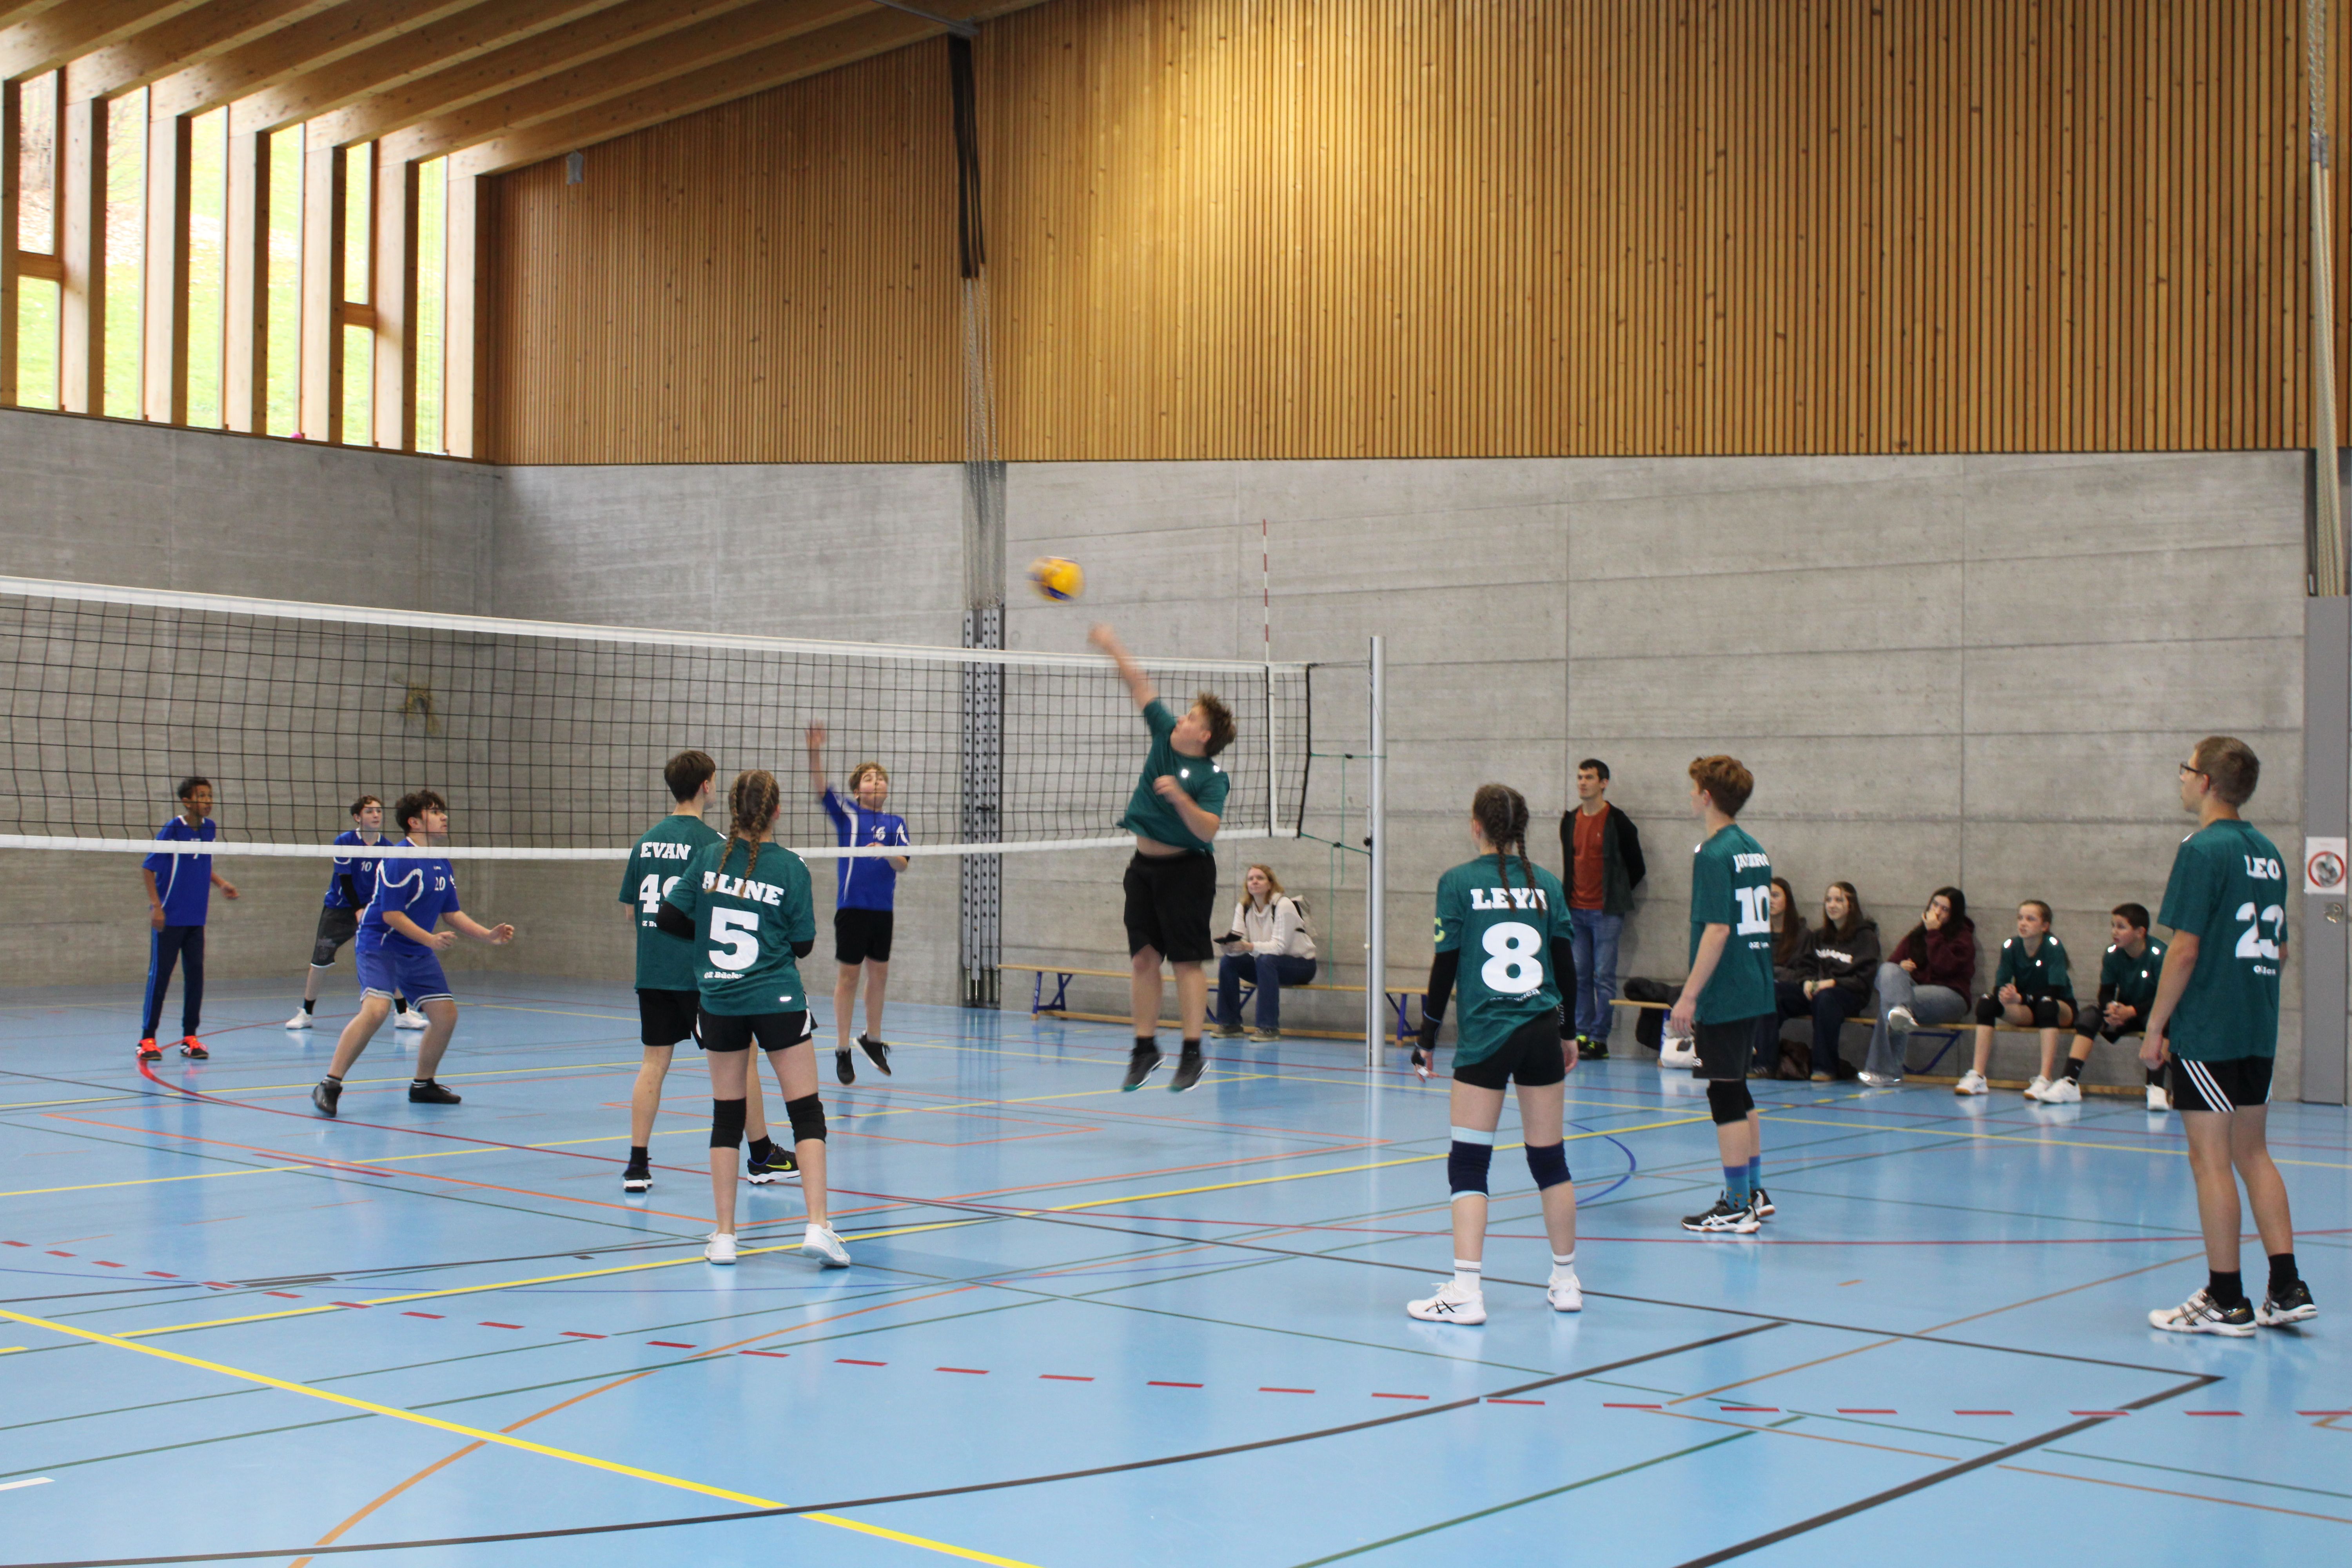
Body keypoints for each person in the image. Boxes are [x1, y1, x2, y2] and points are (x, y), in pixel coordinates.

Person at [2143, 736, 2316, 1334]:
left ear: (2207, 782)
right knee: (2253, 1153)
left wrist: (2156, 1027)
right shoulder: (2268, 852)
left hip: (2210, 1030)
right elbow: (2281, 950)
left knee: (2210, 1160)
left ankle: (2226, 1298)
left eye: (2186, 769)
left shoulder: (2201, 850)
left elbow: (2185, 949)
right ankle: (2287, 1288)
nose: (2181, 778)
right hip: (2257, 1027)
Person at [655, 769, 849, 1269]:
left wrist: (708, 937)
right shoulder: (790, 867)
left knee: (726, 1118)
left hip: (720, 1000)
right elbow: (803, 944)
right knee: (806, 1112)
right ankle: (817, 1225)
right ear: (776, 811)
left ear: (732, 809)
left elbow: (668, 917)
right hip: (777, 998)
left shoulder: (708, 859)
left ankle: (724, 1236)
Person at [1405, 784, 1582, 1324]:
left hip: (1486, 1036)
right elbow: (1565, 968)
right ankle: (1567, 1281)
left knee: (1469, 1161)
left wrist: (1427, 1038)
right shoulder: (1546, 883)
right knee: (1550, 1160)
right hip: (1540, 1029)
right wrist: (1568, 1031)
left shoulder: (1458, 882)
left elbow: (1445, 966)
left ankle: (1466, 1291)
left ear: (1476, 825)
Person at [618, 751, 786, 1194]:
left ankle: (637, 1165)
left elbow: (632, 912)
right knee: (742, 1057)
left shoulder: (646, 842)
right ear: (708, 786)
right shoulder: (715, 846)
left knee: (653, 1063)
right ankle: (761, 1154)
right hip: (701, 976)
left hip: (652, 970)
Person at [1088, 622, 1235, 1094]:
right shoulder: (1164, 733)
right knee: (1143, 959)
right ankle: (1145, 1048)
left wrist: (1179, 797)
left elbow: (1208, 828)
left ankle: (1192, 1053)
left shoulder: (1212, 776)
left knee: (1187, 962)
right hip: (1143, 869)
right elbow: (1139, 683)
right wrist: (1111, 642)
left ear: (1203, 734)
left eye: (1190, 717)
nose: (1181, 719)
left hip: (1187, 871)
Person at [310, 791, 514, 1118]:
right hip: (381, 945)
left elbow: (452, 913)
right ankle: (329, 1084)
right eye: (434, 812)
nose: (444, 817)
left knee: (446, 1016)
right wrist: (430, 940)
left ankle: (423, 1085)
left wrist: (488, 935)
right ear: (414, 822)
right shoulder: (400, 859)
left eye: (442, 811)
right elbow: (391, 915)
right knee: (376, 1011)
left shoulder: (441, 862)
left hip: (416, 949)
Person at [1668, 755, 1777, 1232]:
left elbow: (1717, 930)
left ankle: (1736, 1204)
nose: (1690, 795)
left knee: (1725, 1092)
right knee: (1738, 1086)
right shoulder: (1754, 848)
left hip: (1727, 987)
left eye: (1694, 788)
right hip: (1755, 981)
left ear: (1707, 796)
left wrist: (1689, 995)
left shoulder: (1713, 854)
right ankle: (1754, 1191)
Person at [804, 722, 909, 1085]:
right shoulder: (848, 814)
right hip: (852, 908)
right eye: (868, 778)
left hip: (882, 911)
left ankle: (872, 1039)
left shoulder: (896, 823)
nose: (876, 782)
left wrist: (887, 851)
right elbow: (821, 789)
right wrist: (815, 751)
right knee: (849, 977)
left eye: (880, 778)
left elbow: (904, 864)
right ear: (857, 789)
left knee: (879, 975)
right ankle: (841, 1049)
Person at [284, 796, 419, 1035]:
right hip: (340, 909)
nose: (376, 815)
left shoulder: (388, 847)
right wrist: (358, 909)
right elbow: (345, 879)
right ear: (358, 817)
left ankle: (403, 1014)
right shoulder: (345, 841)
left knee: (389, 957)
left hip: (372, 909)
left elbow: (386, 883)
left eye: (379, 811)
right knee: (320, 961)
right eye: (370, 811)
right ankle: (306, 1012)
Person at [137, 776, 238, 1062]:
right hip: (170, 917)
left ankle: (190, 1038)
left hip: (196, 917)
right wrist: (157, 906)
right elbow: (148, 868)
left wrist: (221, 883)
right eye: (201, 796)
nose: (208, 801)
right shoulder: (173, 829)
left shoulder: (210, 828)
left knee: (195, 977)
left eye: (210, 796)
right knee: (160, 977)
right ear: (187, 802)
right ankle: (147, 1039)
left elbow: (201, 862)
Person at [1558, 758, 1645, 1059]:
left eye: (1589, 778)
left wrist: (1616, 894)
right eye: (1580, 777)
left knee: (1603, 977)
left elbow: (1637, 867)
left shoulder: (1618, 821)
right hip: (1575, 911)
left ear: (1604, 783)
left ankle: (1599, 1038)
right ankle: (1582, 1033)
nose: (1583, 783)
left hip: (1606, 913)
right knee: (1579, 975)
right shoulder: (1570, 820)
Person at [2043, 903, 2168, 1108]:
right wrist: (2111, 1008)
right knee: (2089, 1017)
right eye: (2113, 926)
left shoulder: (2159, 955)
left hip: (2150, 1011)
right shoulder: (2112, 954)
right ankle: (2069, 1082)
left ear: (2140, 932)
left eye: (2121, 927)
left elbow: (2165, 996)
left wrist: (2133, 1011)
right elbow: (2106, 991)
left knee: (2163, 1021)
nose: (2114, 932)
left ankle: (2157, 1088)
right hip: (2124, 1012)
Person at [1957, 901, 2074, 1097]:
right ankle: (1978, 1076)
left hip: (2059, 1009)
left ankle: (2045, 1078)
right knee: (1987, 1002)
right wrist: (2006, 995)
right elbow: (2000, 986)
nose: (2023, 923)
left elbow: (2055, 991)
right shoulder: (2011, 946)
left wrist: (2021, 997)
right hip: (2027, 1008)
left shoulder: (2053, 947)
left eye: (2030, 919)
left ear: (2045, 926)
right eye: (2020, 918)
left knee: (2046, 1005)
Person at [1863, 886, 1976, 1086]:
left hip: (1951, 997)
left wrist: (1934, 933)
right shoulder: (1916, 935)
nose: (1937, 912)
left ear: (1954, 914)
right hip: (1913, 994)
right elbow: (1888, 972)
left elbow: (1945, 967)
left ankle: (1885, 1071)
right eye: (1935, 905)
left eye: (1945, 909)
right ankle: (1901, 1013)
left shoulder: (1963, 938)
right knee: (1890, 974)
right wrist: (1902, 967)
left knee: (1892, 1004)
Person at [1780, 882, 1878, 1082]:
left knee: (1825, 999)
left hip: (1848, 995)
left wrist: (1834, 983)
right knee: (1776, 993)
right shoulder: (1819, 936)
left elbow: (1863, 979)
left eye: (1839, 900)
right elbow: (1805, 965)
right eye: (1828, 900)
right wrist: (1807, 981)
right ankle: (1762, 1061)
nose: (1832, 905)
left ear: (1851, 905)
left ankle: (1824, 1068)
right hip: (1817, 992)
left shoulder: (1866, 937)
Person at [1211, 864, 1318, 1041]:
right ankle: (1230, 1024)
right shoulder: (1244, 907)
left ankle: (1268, 1027)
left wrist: (1249, 947)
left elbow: (1279, 947)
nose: (1255, 882)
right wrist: (1231, 948)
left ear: (1270, 884)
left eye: (1260, 878)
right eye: (1251, 879)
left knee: (1267, 960)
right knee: (1228, 962)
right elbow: (1241, 941)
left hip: (1301, 966)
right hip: (1265, 965)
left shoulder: (1283, 905)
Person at [1750, 877, 1808, 1078]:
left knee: (1769, 993)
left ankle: (1765, 1063)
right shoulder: (1757, 935)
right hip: (1765, 991)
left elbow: (1802, 972)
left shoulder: (1802, 935)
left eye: (1775, 896)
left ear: (1788, 901)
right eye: (1765, 897)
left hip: (1797, 991)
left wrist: (1770, 974)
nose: (1770, 901)